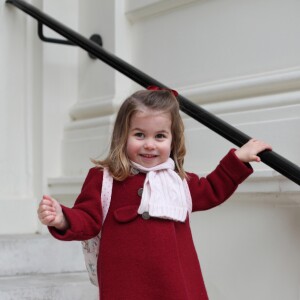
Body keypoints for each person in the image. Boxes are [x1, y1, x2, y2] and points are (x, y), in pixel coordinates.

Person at [37, 87, 272, 300]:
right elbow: (87, 218)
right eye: (139, 135)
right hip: (125, 286)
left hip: (176, 286)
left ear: (172, 140)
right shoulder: (105, 178)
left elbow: (212, 189)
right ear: (122, 136)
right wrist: (62, 217)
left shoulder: (178, 181)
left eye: (159, 136)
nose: (150, 144)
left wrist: (238, 159)